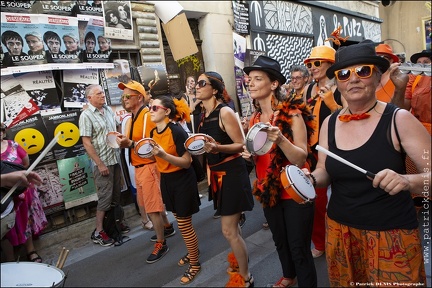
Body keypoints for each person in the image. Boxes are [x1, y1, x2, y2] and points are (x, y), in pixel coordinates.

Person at [308, 39, 428, 286]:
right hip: (340, 233)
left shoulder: (399, 119)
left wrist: (406, 180)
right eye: (343, 74)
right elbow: (323, 171)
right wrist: (308, 180)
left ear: (377, 77)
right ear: (338, 83)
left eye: (363, 71)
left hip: (392, 236)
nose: (353, 79)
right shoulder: (330, 123)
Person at [242, 55, 317, 287]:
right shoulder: (254, 118)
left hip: (294, 190)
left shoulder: (292, 113)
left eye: (257, 79)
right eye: (249, 79)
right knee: (280, 241)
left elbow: (301, 157)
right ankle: (288, 275)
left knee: (299, 247)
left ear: (274, 84)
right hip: (269, 190)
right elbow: (259, 157)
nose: (250, 83)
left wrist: (282, 139)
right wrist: (248, 154)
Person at [196, 71, 254, 287]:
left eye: (202, 83)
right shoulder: (204, 113)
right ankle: (240, 262)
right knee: (234, 229)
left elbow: (242, 144)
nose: (197, 86)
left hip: (232, 173)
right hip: (218, 175)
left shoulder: (225, 112)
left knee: (228, 230)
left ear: (215, 88)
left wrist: (217, 147)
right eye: (197, 83)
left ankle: (246, 277)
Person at [116, 80, 176, 262]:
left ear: (139, 97)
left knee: (152, 208)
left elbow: (154, 145)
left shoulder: (147, 116)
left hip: (149, 167)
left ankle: (161, 243)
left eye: (128, 96)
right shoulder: (133, 116)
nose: (124, 99)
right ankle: (167, 227)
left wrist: (130, 144)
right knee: (150, 204)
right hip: (139, 167)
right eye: (123, 96)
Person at [148, 96, 201, 285]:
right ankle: (193, 251)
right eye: (150, 107)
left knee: (185, 225)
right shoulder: (153, 132)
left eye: (154, 107)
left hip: (182, 180)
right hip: (167, 181)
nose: (151, 110)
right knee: (180, 221)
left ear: (167, 111)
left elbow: (187, 162)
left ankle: (195, 263)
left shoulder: (177, 131)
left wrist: (163, 154)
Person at [303, 45, 346, 259]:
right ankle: (320, 242)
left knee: (338, 199)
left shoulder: (341, 86)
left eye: (317, 63)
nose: (312, 67)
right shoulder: (308, 89)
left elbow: (349, 119)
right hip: (312, 152)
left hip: (337, 150)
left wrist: (331, 102)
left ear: (331, 65)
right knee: (316, 202)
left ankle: (341, 242)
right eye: (310, 64)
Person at [79, 84, 129, 247]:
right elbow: (86, 143)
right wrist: (100, 164)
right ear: (89, 98)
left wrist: (120, 139)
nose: (102, 95)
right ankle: (98, 231)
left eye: (102, 92)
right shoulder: (86, 115)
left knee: (116, 195)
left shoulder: (107, 110)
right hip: (102, 163)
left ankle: (115, 223)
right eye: (98, 93)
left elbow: (117, 126)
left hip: (115, 159)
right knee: (105, 198)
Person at [1, 123, 48, 263]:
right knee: (8, 227)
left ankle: (31, 251)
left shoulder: (13, 145)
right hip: (5, 196)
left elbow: (26, 163)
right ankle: (10, 260)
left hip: (23, 191)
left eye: (1, 129)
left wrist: (18, 176)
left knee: (26, 220)